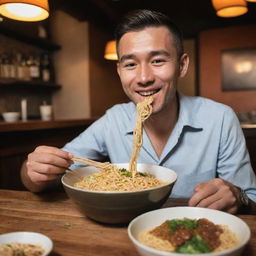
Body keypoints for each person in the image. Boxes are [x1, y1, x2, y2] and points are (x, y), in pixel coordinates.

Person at [21, 9, 256, 214]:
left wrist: (238, 196)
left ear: (182, 65)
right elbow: (46, 176)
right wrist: (34, 172)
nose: (144, 78)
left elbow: (251, 198)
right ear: (120, 71)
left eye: (157, 61)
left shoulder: (220, 118)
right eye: (130, 64)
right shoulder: (114, 119)